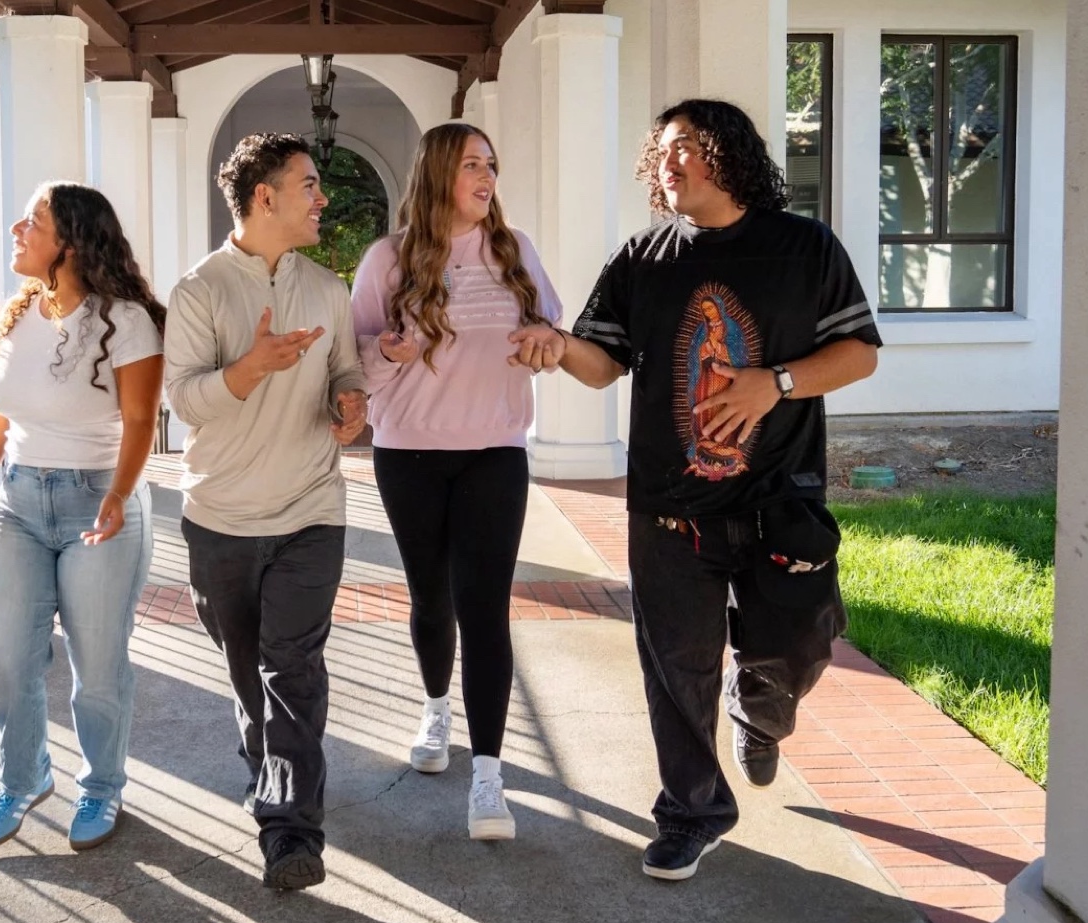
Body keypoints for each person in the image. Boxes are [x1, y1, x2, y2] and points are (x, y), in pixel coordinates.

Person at [508, 99, 881, 881]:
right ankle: (692, 812)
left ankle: (765, 709)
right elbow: (602, 361)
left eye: (686, 147)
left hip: (780, 502)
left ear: (729, 153)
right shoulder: (645, 257)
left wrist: (773, 384)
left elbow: (858, 355)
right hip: (671, 513)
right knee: (676, 672)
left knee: (800, 643)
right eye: (661, 149)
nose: (668, 161)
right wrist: (556, 346)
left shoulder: (803, 246)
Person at [163, 132, 366, 891]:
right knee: (249, 675)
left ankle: (290, 834)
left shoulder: (328, 287)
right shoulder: (200, 291)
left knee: (294, 669)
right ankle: (268, 767)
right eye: (308, 185)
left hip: (312, 509)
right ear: (263, 197)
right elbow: (183, 400)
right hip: (219, 518)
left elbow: (345, 366)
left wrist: (350, 404)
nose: (322, 198)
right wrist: (248, 369)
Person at [350, 123, 561, 841]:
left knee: (486, 610)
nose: (487, 176)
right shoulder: (388, 259)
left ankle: (489, 777)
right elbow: (357, 362)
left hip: (495, 453)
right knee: (430, 599)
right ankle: (436, 708)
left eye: (492, 165)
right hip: (408, 453)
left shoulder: (515, 251)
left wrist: (545, 347)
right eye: (473, 164)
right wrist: (388, 347)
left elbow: (550, 334)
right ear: (440, 172)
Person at [0, 183, 164, 852]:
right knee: (3, 655)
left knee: (97, 666)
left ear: (70, 242)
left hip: (98, 502)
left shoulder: (127, 321)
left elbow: (140, 420)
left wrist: (118, 494)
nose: (17, 228)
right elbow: (1, 403)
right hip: (17, 502)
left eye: (35, 221)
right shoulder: (20, 313)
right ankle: (22, 780)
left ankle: (102, 786)